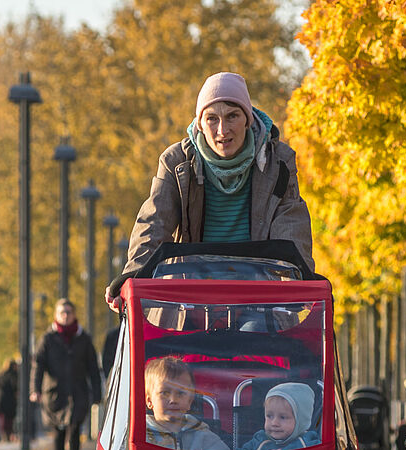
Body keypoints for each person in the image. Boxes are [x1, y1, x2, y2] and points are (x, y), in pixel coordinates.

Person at [107, 71, 313, 307]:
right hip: (192, 293)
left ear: (248, 119)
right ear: (200, 124)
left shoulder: (278, 161)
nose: (222, 130)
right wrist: (132, 274)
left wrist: (299, 277)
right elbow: (155, 222)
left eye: (233, 116)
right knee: (184, 342)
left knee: (260, 338)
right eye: (212, 119)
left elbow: (291, 224)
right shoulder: (177, 162)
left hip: (257, 296)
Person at [31, 299, 102, 450]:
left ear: (74, 314)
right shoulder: (47, 339)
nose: (65, 315)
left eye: (69, 312)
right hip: (55, 395)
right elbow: (38, 365)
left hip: (78, 394)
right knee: (58, 436)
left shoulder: (84, 338)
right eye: (62, 312)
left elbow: (93, 369)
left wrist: (97, 394)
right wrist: (35, 389)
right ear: (56, 314)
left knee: (74, 433)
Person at [143, 356, 231, 450]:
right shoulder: (141, 437)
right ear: (149, 401)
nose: (173, 400)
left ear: (190, 401)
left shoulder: (202, 436)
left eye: (180, 393)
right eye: (165, 393)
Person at [236, 383, 320, 450]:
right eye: (269, 416)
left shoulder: (309, 443)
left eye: (283, 417)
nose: (274, 423)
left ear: (301, 421)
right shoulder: (259, 440)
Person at [0, 357, 19, 441]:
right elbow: (15, 386)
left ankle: (4, 436)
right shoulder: (14, 375)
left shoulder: (1, 374)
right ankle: (8, 436)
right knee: (9, 419)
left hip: (1, 399)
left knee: (3, 419)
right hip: (10, 400)